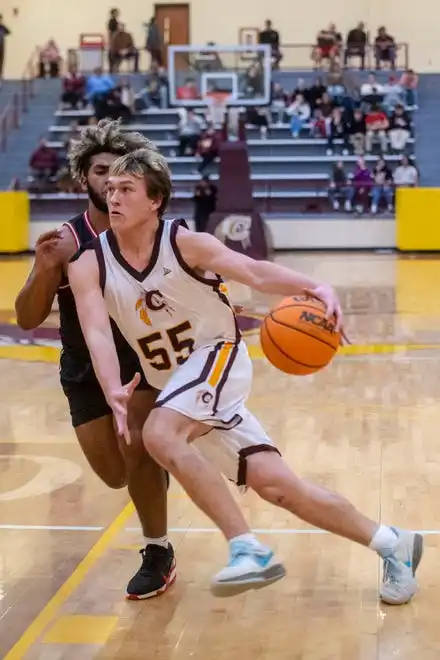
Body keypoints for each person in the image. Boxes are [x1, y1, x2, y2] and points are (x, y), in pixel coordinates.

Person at [67, 147, 423, 603]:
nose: (112, 197)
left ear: (155, 200)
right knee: (278, 486)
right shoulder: (89, 262)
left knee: (159, 433)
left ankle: (246, 548)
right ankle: (393, 543)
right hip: (180, 385)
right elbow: (96, 329)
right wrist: (112, 386)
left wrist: (315, 287)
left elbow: (253, 272)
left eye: (126, 189)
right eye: (110, 188)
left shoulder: (185, 244)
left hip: (218, 357)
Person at [14, 120, 175, 601]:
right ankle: (152, 470)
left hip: (143, 359)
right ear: (83, 177)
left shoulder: (153, 231)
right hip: (84, 365)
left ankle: (157, 550)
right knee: (114, 474)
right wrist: (44, 269)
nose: (110, 182)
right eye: (101, 171)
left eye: (121, 173)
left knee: (138, 451)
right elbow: (27, 317)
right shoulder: (67, 240)